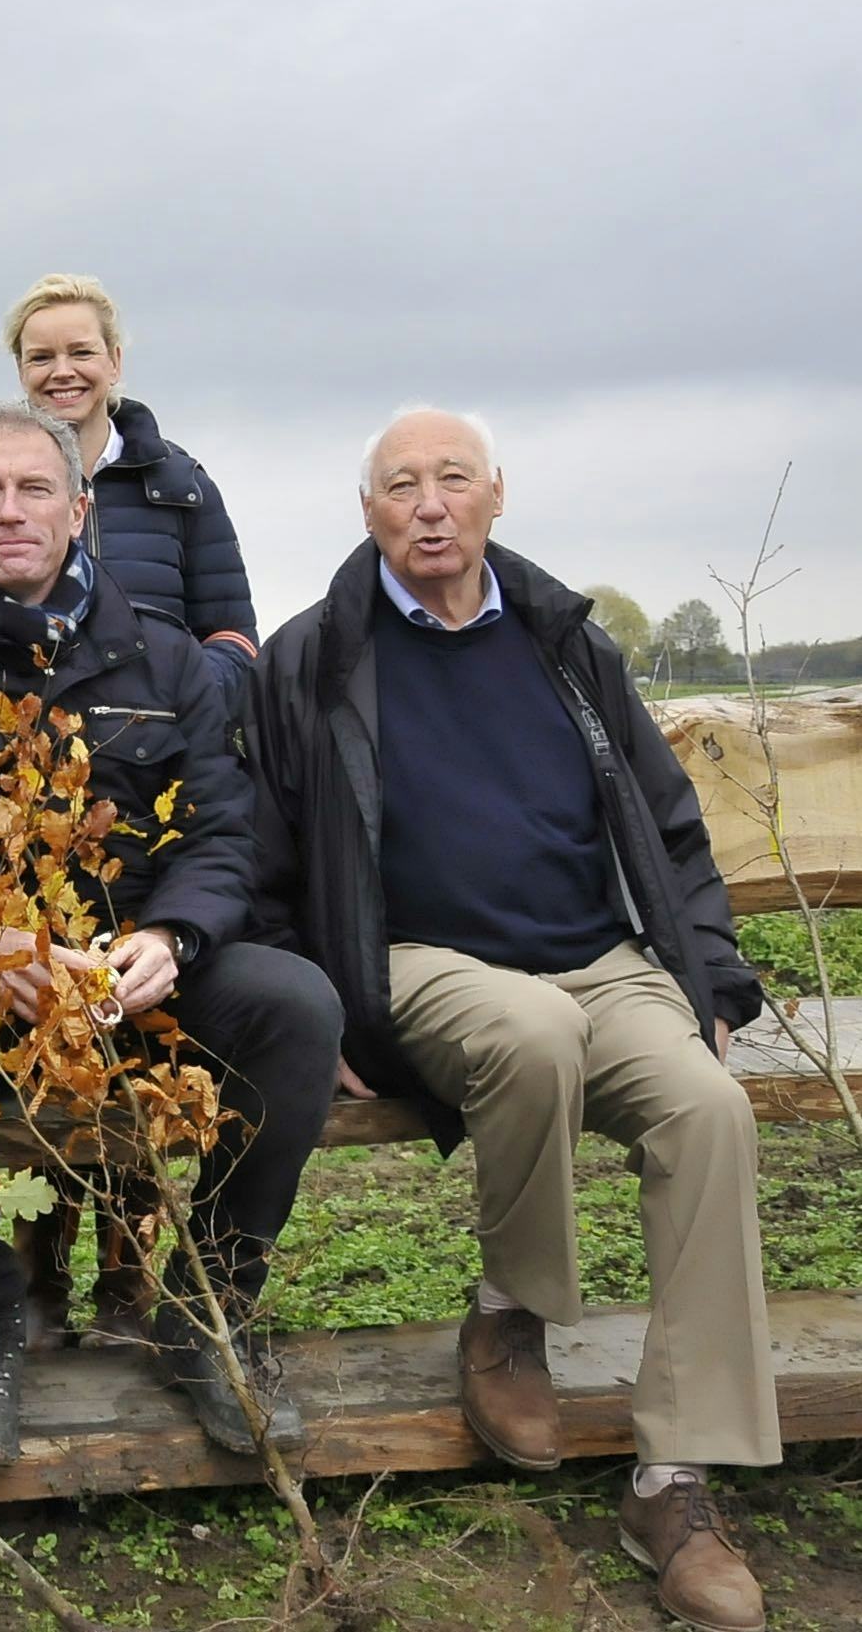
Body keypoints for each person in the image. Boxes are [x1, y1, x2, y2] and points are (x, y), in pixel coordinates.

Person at [246, 406, 775, 1632]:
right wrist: (305, 998)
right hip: (415, 960)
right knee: (530, 1031)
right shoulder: (313, 656)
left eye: (450, 481)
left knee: (706, 1110)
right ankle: (508, 1315)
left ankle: (674, 1478)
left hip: (598, 957)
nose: (426, 505)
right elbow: (263, 847)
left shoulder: (563, 646)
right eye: (397, 487)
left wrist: (712, 981)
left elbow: (666, 820)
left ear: (495, 495)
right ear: (364, 511)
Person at [0, 402, 341, 1469]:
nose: (10, 513)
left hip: (127, 973)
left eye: (33, 490)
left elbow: (220, 832)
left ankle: (212, 1306)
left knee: (295, 1007)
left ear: (77, 508)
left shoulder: (164, 661)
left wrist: (176, 938)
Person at [0, 275, 257, 700]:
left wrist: (173, 698)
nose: (62, 372)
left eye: (81, 352)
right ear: (21, 370)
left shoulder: (182, 486)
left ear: (114, 361)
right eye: (42, 357)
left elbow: (234, 640)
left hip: (157, 746)